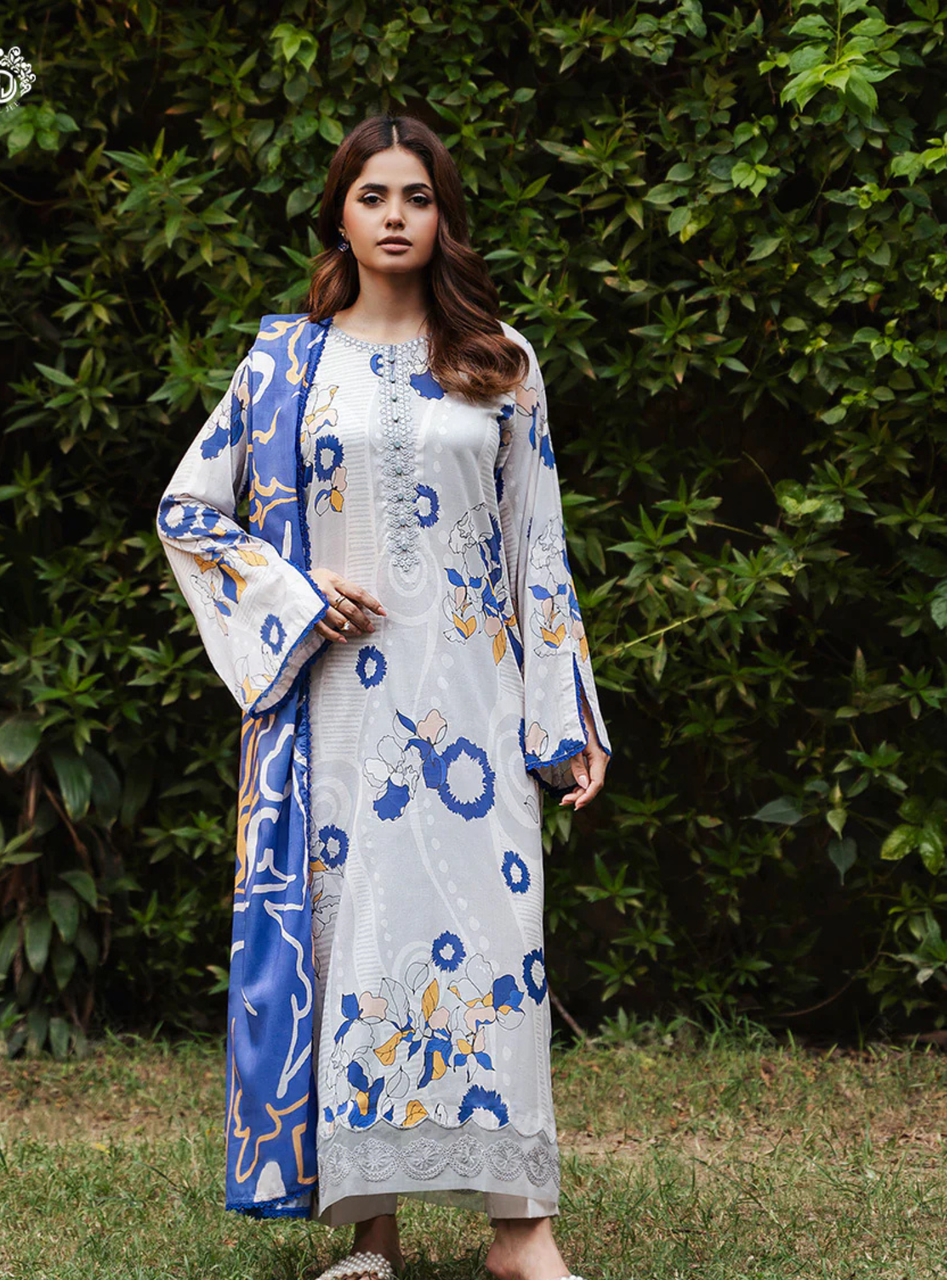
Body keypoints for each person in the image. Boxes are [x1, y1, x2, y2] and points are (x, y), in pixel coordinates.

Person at [156, 113, 613, 1280]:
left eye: (417, 195)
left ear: (444, 214)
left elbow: (536, 545)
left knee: (500, 945)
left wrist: (562, 715)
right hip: (339, 715)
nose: (397, 215)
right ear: (341, 214)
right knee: (358, 952)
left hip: (473, 697)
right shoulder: (284, 365)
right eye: (374, 196)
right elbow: (190, 513)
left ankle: (523, 1231)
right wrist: (296, 591)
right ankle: (372, 1234)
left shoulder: (501, 359)